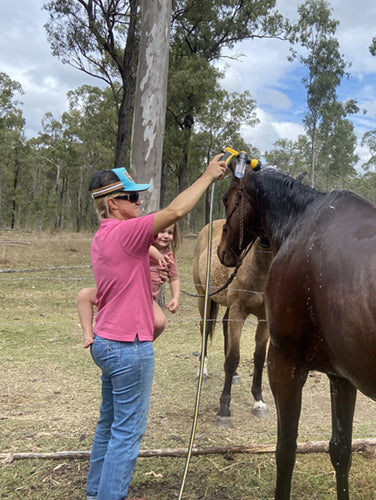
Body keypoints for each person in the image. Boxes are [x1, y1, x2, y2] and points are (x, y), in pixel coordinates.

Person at [83, 159, 227, 500]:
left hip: (105, 342)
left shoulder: (103, 236)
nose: (138, 201)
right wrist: (207, 176)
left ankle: (96, 492)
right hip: (129, 347)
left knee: (109, 425)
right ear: (112, 204)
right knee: (127, 432)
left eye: (138, 196)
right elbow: (176, 211)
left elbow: (148, 247)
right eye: (131, 196)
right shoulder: (126, 231)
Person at [77, 223, 181, 346]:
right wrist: (158, 256)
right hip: (121, 292)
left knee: (160, 322)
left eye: (170, 233)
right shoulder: (141, 247)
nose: (165, 236)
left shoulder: (170, 257)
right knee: (84, 295)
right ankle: (88, 334)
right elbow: (147, 248)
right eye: (161, 231)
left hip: (145, 299)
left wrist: (175, 297)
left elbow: (174, 278)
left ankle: (139, 345)